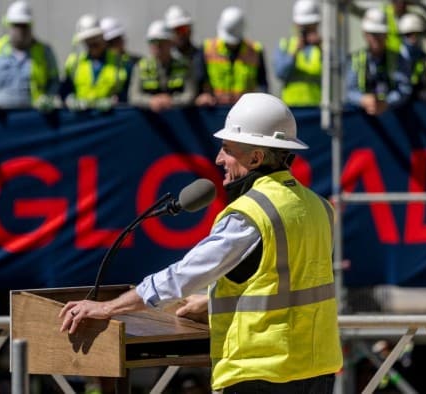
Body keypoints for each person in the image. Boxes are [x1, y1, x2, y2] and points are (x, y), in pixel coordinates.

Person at [59, 93, 343, 393]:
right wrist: (212, 301)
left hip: (261, 374)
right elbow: (289, 283)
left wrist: (108, 308)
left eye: (227, 149)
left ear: (256, 158)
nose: (219, 159)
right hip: (317, 370)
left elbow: (183, 276)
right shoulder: (319, 207)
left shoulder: (251, 213)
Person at [0, 0, 59, 112]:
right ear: (8, 25)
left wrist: (49, 97)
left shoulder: (44, 51)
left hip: (34, 116)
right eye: (16, 25)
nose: (21, 30)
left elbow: (54, 81)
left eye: (24, 25)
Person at [195, 6, 268, 107]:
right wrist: (203, 95)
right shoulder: (207, 49)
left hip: (245, 111)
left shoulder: (255, 51)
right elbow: (199, 79)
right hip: (214, 110)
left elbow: (262, 85)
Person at [345, 8, 411, 115]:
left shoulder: (398, 59)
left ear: (386, 34)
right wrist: (363, 99)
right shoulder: (356, 58)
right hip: (363, 121)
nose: (376, 38)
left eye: (380, 33)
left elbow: (405, 89)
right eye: (372, 34)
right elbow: (349, 90)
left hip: (394, 117)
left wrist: (386, 102)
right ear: (365, 34)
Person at [61, 14, 127, 111]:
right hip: (81, 118)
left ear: (102, 37)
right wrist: (69, 99)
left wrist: (116, 100)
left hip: (109, 118)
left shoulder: (119, 62)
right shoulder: (74, 63)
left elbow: (127, 91)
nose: (92, 44)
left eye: (95, 39)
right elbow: (64, 90)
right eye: (88, 41)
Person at [128, 20, 196, 112]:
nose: (157, 45)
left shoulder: (185, 66)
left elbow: (190, 95)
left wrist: (171, 101)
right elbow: (134, 96)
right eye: (153, 41)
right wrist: (151, 101)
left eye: (161, 41)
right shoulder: (140, 67)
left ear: (171, 43)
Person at [273, 0, 322, 106]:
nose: (307, 30)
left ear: (317, 24)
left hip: (319, 109)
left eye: (310, 26)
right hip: (291, 108)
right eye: (304, 26)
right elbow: (280, 73)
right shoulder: (285, 45)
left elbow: (337, 74)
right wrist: (295, 52)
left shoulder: (325, 47)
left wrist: (322, 48)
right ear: (296, 24)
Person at [100, 17, 139, 103]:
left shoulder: (135, 62)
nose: (115, 45)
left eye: (117, 39)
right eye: (110, 42)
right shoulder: (99, 64)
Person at [397, 13, 426, 98]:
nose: (413, 38)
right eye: (409, 34)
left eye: (417, 34)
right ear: (402, 35)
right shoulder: (394, 59)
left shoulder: (425, 58)